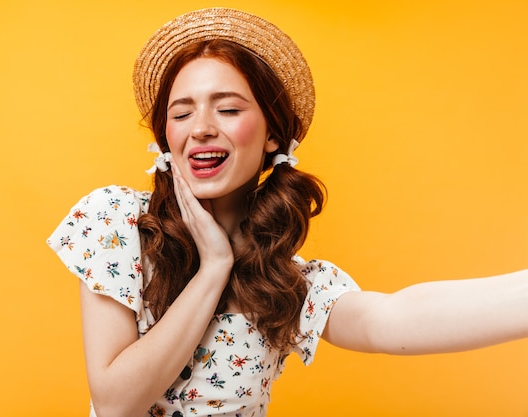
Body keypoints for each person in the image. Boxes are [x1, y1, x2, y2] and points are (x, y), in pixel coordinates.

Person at [47, 8, 528, 417]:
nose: (201, 129)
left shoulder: (284, 284)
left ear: (273, 135)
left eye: (229, 110)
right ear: (165, 138)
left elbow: (393, 318)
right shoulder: (117, 223)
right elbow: (114, 403)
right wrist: (214, 266)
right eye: (182, 113)